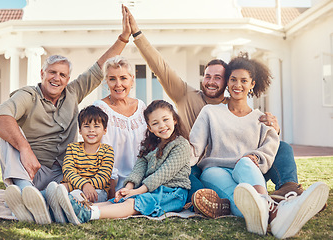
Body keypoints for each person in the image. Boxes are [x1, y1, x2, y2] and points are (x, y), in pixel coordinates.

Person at [123, 6, 303, 203]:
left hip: (242, 165)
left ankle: (289, 190)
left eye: (218, 77)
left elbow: (259, 136)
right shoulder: (187, 95)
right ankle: (209, 201)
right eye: (207, 76)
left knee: (283, 147)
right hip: (197, 163)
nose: (211, 81)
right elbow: (160, 66)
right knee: (188, 173)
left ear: (227, 81)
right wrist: (137, 34)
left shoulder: (233, 106)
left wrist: (273, 130)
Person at [0, 5, 131, 224]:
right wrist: (25, 149)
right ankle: (27, 193)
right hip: (31, 171)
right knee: (7, 131)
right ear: (42, 73)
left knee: (69, 190)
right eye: (52, 72)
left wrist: (123, 37)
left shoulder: (73, 92)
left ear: (68, 78)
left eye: (62, 75)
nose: (57, 78)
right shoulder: (29, 95)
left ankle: (38, 201)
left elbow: (99, 67)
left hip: (63, 176)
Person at [190, 55, 328, 238]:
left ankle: (268, 213)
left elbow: (272, 147)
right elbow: (195, 147)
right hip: (216, 170)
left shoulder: (262, 119)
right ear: (227, 83)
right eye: (233, 80)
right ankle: (278, 212)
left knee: (246, 165)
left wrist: (255, 157)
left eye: (244, 81)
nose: (237, 85)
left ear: (252, 84)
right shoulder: (210, 112)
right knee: (240, 196)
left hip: (248, 170)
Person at [53, 100, 191, 224]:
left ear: (174, 120)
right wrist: (129, 188)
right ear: (149, 128)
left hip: (173, 193)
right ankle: (72, 210)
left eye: (165, 120)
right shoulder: (150, 146)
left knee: (135, 202)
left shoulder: (181, 145)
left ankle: (89, 213)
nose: (162, 126)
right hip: (150, 190)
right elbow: (138, 170)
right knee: (117, 200)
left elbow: (162, 174)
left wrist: (137, 191)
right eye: (155, 123)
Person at [45, 105, 114, 223]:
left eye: (96, 126)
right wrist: (83, 185)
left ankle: (58, 210)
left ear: (104, 130)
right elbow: (68, 171)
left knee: (70, 193)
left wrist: (83, 186)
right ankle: (37, 203)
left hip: (96, 192)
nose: (91, 130)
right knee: (54, 189)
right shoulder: (73, 148)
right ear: (80, 130)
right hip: (74, 188)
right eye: (87, 126)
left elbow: (103, 177)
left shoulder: (107, 151)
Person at [93, 55, 147, 196]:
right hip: (112, 184)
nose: (118, 84)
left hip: (142, 181)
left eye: (123, 78)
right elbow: (101, 154)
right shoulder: (100, 109)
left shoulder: (141, 107)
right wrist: (111, 189)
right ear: (106, 82)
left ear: (132, 79)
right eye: (112, 79)